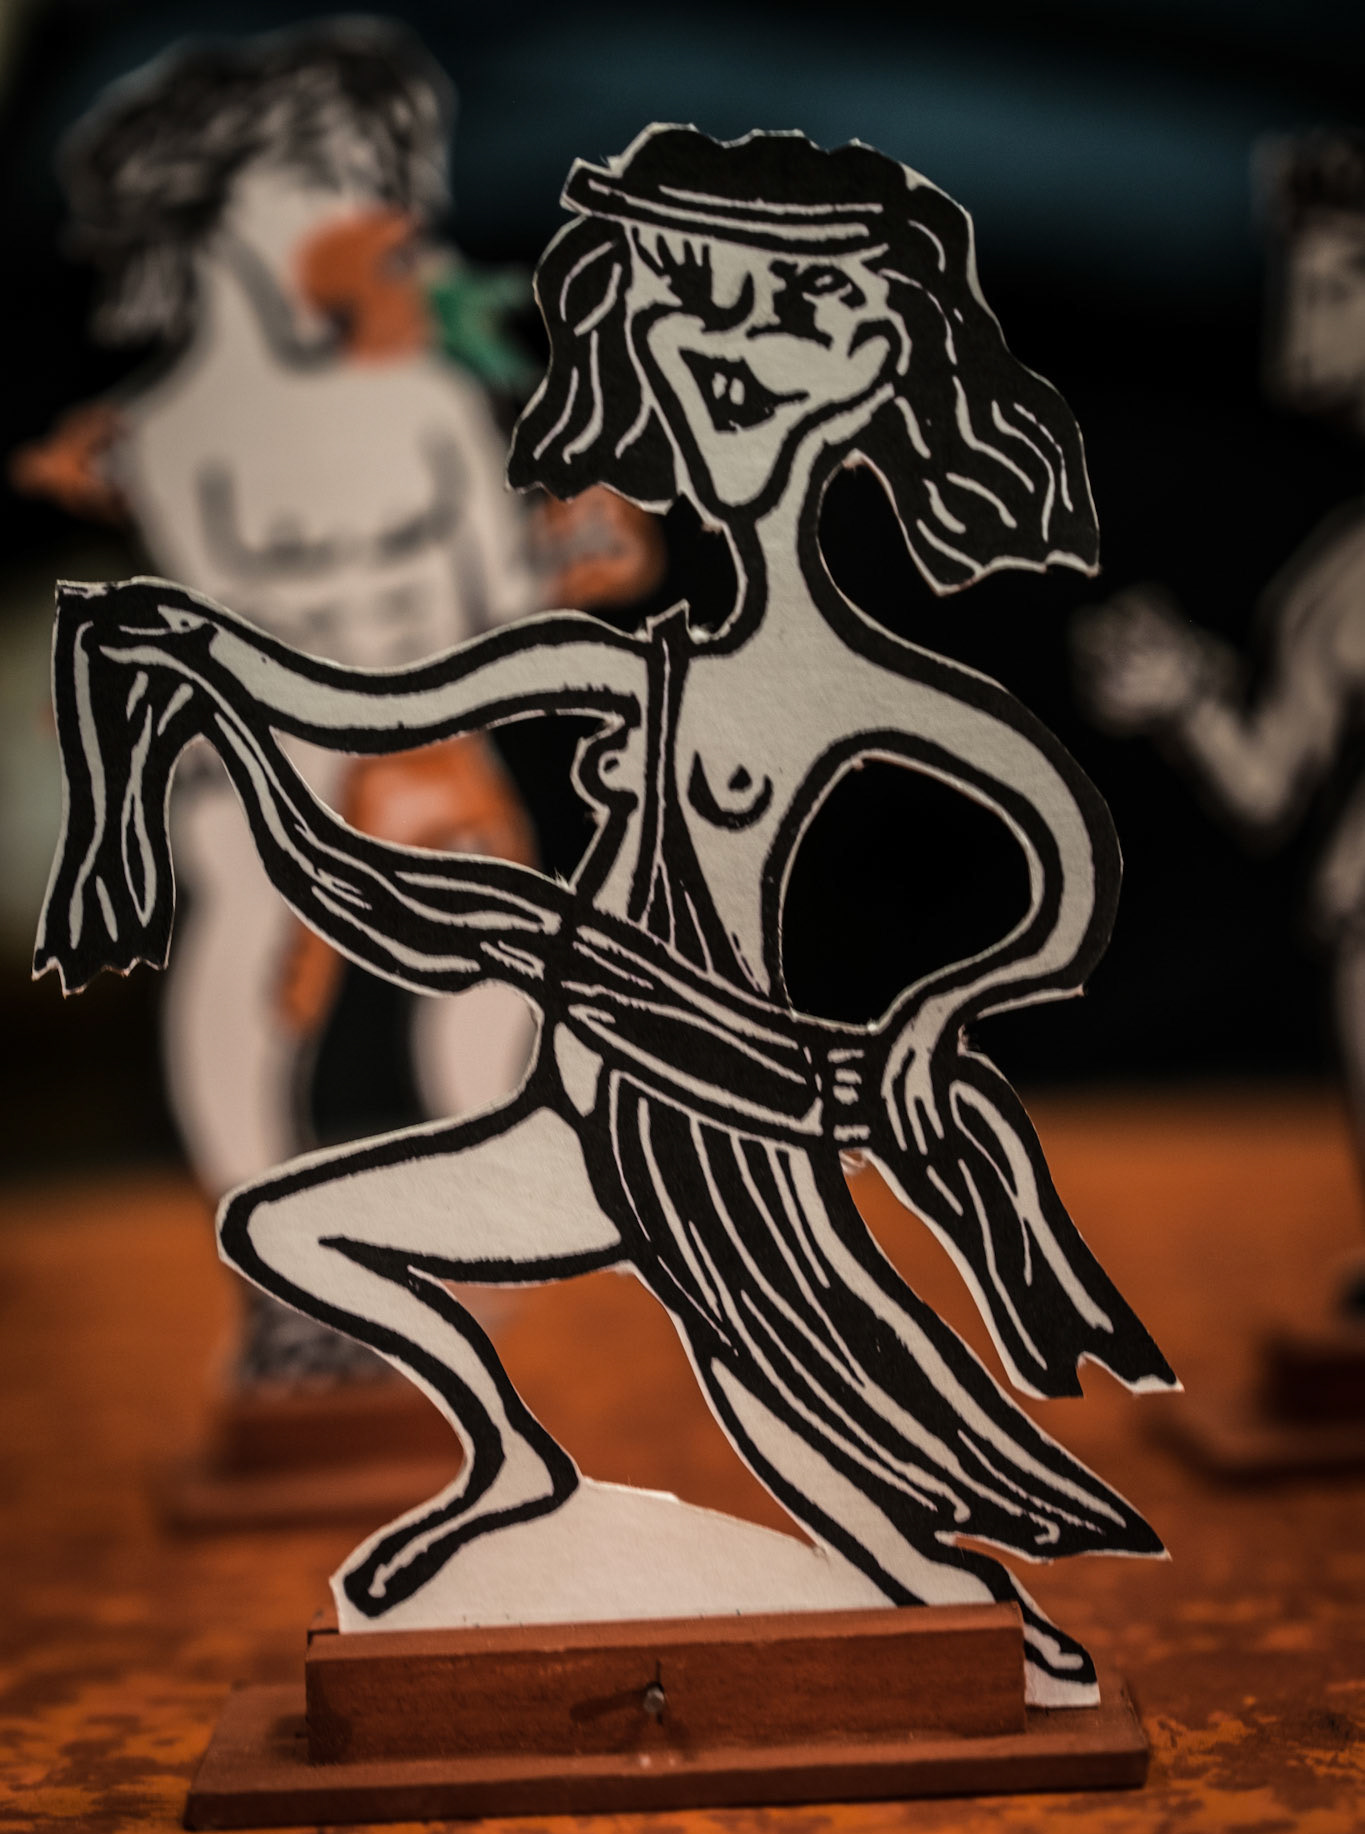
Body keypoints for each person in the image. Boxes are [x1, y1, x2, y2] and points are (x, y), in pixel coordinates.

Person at [37, 126, 1174, 1705]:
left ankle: (987, 1634)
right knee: (292, 1227)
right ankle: (512, 1461)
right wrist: (197, 655)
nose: (717, 361)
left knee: (808, 1423)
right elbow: (364, 703)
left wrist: (940, 1011)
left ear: (868, 370)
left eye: (780, 321)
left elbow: (1060, 863)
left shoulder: (852, 684)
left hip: (715, 1140)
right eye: (687, 314)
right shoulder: (624, 664)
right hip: (578, 1123)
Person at [16, 21, 656, 1383]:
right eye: (320, 178)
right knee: (250, 953)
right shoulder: (172, 432)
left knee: (499, 952)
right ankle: (278, 1268)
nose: (361, 216)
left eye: (376, 182)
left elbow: (490, 594)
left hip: (428, 733)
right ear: (215, 202)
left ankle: (487, 1233)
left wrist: (566, 560)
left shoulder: (428, 400)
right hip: (267, 754)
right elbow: (221, 612)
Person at [1077, 131, 1365, 1190]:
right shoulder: (1328, 585)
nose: (1305, 320)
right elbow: (1267, 785)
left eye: (1339, 287)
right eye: (1301, 286)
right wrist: (1190, 698)